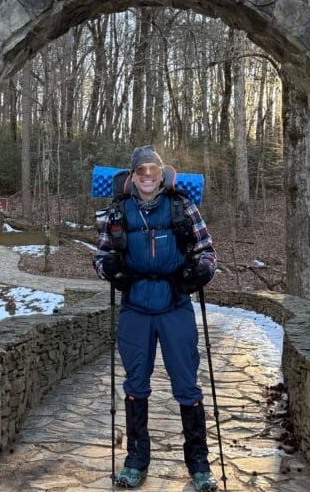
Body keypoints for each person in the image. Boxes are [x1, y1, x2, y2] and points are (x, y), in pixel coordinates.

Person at [93, 145, 218, 491]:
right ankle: (136, 460)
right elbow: (101, 255)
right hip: (135, 306)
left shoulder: (182, 207)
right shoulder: (117, 212)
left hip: (175, 303)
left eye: (153, 169)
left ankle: (199, 464)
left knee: (186, 383)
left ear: (162, 174)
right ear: (132, 176)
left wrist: (201, 272)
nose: (147, 175)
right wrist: (110, 270)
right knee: (135, 383)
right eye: (140, 170)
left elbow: (206, 251)